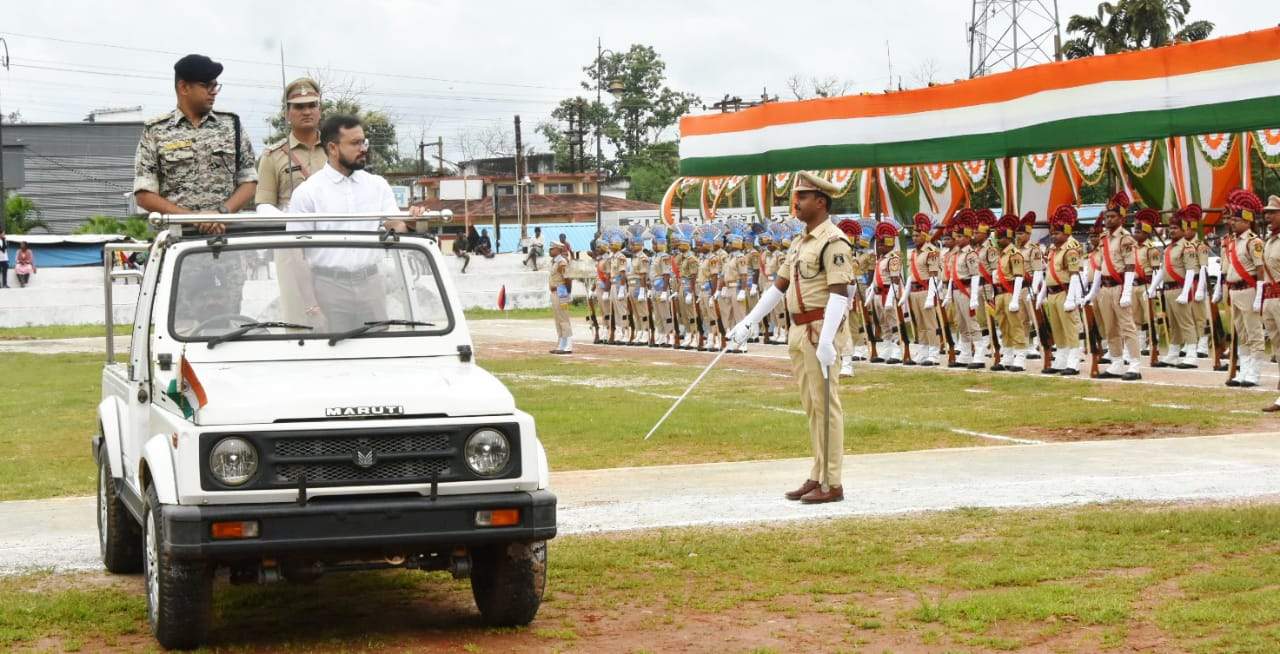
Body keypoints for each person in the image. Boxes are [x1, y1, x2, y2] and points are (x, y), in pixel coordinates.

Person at [728, 171, 853, 504]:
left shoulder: (834, 241)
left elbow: (840, 293)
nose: (795, 203)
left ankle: (833, 483)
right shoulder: (800, 242)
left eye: (802, 197)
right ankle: (818, 474)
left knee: (827, 407)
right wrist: (749, 323)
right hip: (798, 331)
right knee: (813, 408)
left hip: (818, 330)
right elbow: (778, 287)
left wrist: (827, 340)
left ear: (821, 202)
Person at [132, 54, 257, 324]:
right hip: (179, 248)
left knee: (228, 326)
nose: (214, 91)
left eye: (216, 85)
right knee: (179, 328)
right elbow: (144, 194)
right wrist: (192, 217)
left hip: (224, 249)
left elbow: (249, 182)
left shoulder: (231, 126)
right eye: (207, 85)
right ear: (183, 87)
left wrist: (222, 213)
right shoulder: (156, 131)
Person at [285, 114, 425, 332]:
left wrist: (412, 221)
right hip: (328, 287)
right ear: (332, 148)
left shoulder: (377, 185)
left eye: (364, 142)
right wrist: (311, 306)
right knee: (335, 356)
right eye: (355, 143)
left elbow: (395, 225)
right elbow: (296, 255)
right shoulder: (308, 192)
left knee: (378, 355)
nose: (363, 148)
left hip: (371, 284)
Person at [1218, 189, 1266, 387]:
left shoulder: (1254, 242)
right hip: (1235, 291)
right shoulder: (1232, 242)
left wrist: (1259, 295)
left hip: (1249, 289)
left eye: (1236, 220)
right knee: (1241, 333)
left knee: (1254, 332)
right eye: (1232, 220)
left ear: (1247, 221)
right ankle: (1244, 371)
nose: (1232, 223)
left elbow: (1260, 269)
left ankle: (1254, 373)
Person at [256, 78, 326, 211]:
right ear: (286, 114)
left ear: (319, 111)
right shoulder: (272, 156)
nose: (306, 112)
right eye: (299, 107)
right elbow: (264, 205)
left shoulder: (335, 150)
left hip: (333, 228)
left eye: (312, 105)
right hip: (291, 228)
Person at [1042, 204, 1086, 375]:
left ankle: (1074, 362)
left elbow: (1075, 274)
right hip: (1053, 294)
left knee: (1070, 328)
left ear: (1067, 232)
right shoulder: (1054, 249)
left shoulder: (1071, 248)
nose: (1053, 236)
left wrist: (1072, 298)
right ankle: (1060, 359)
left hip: (1065, 292)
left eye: (1057, 233)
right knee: (1058, 328)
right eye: (1052, 233)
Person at [548, 242, 573, 354]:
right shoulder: (554, 262)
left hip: (561, 292)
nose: (550, 251)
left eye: (552, 249)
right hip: (554, 292)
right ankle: (561, 343)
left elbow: (567, 278)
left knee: (564, 318)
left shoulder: (561, 262)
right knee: (558, 319)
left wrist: (568, 292)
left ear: (558, 250)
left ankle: (568, 344)